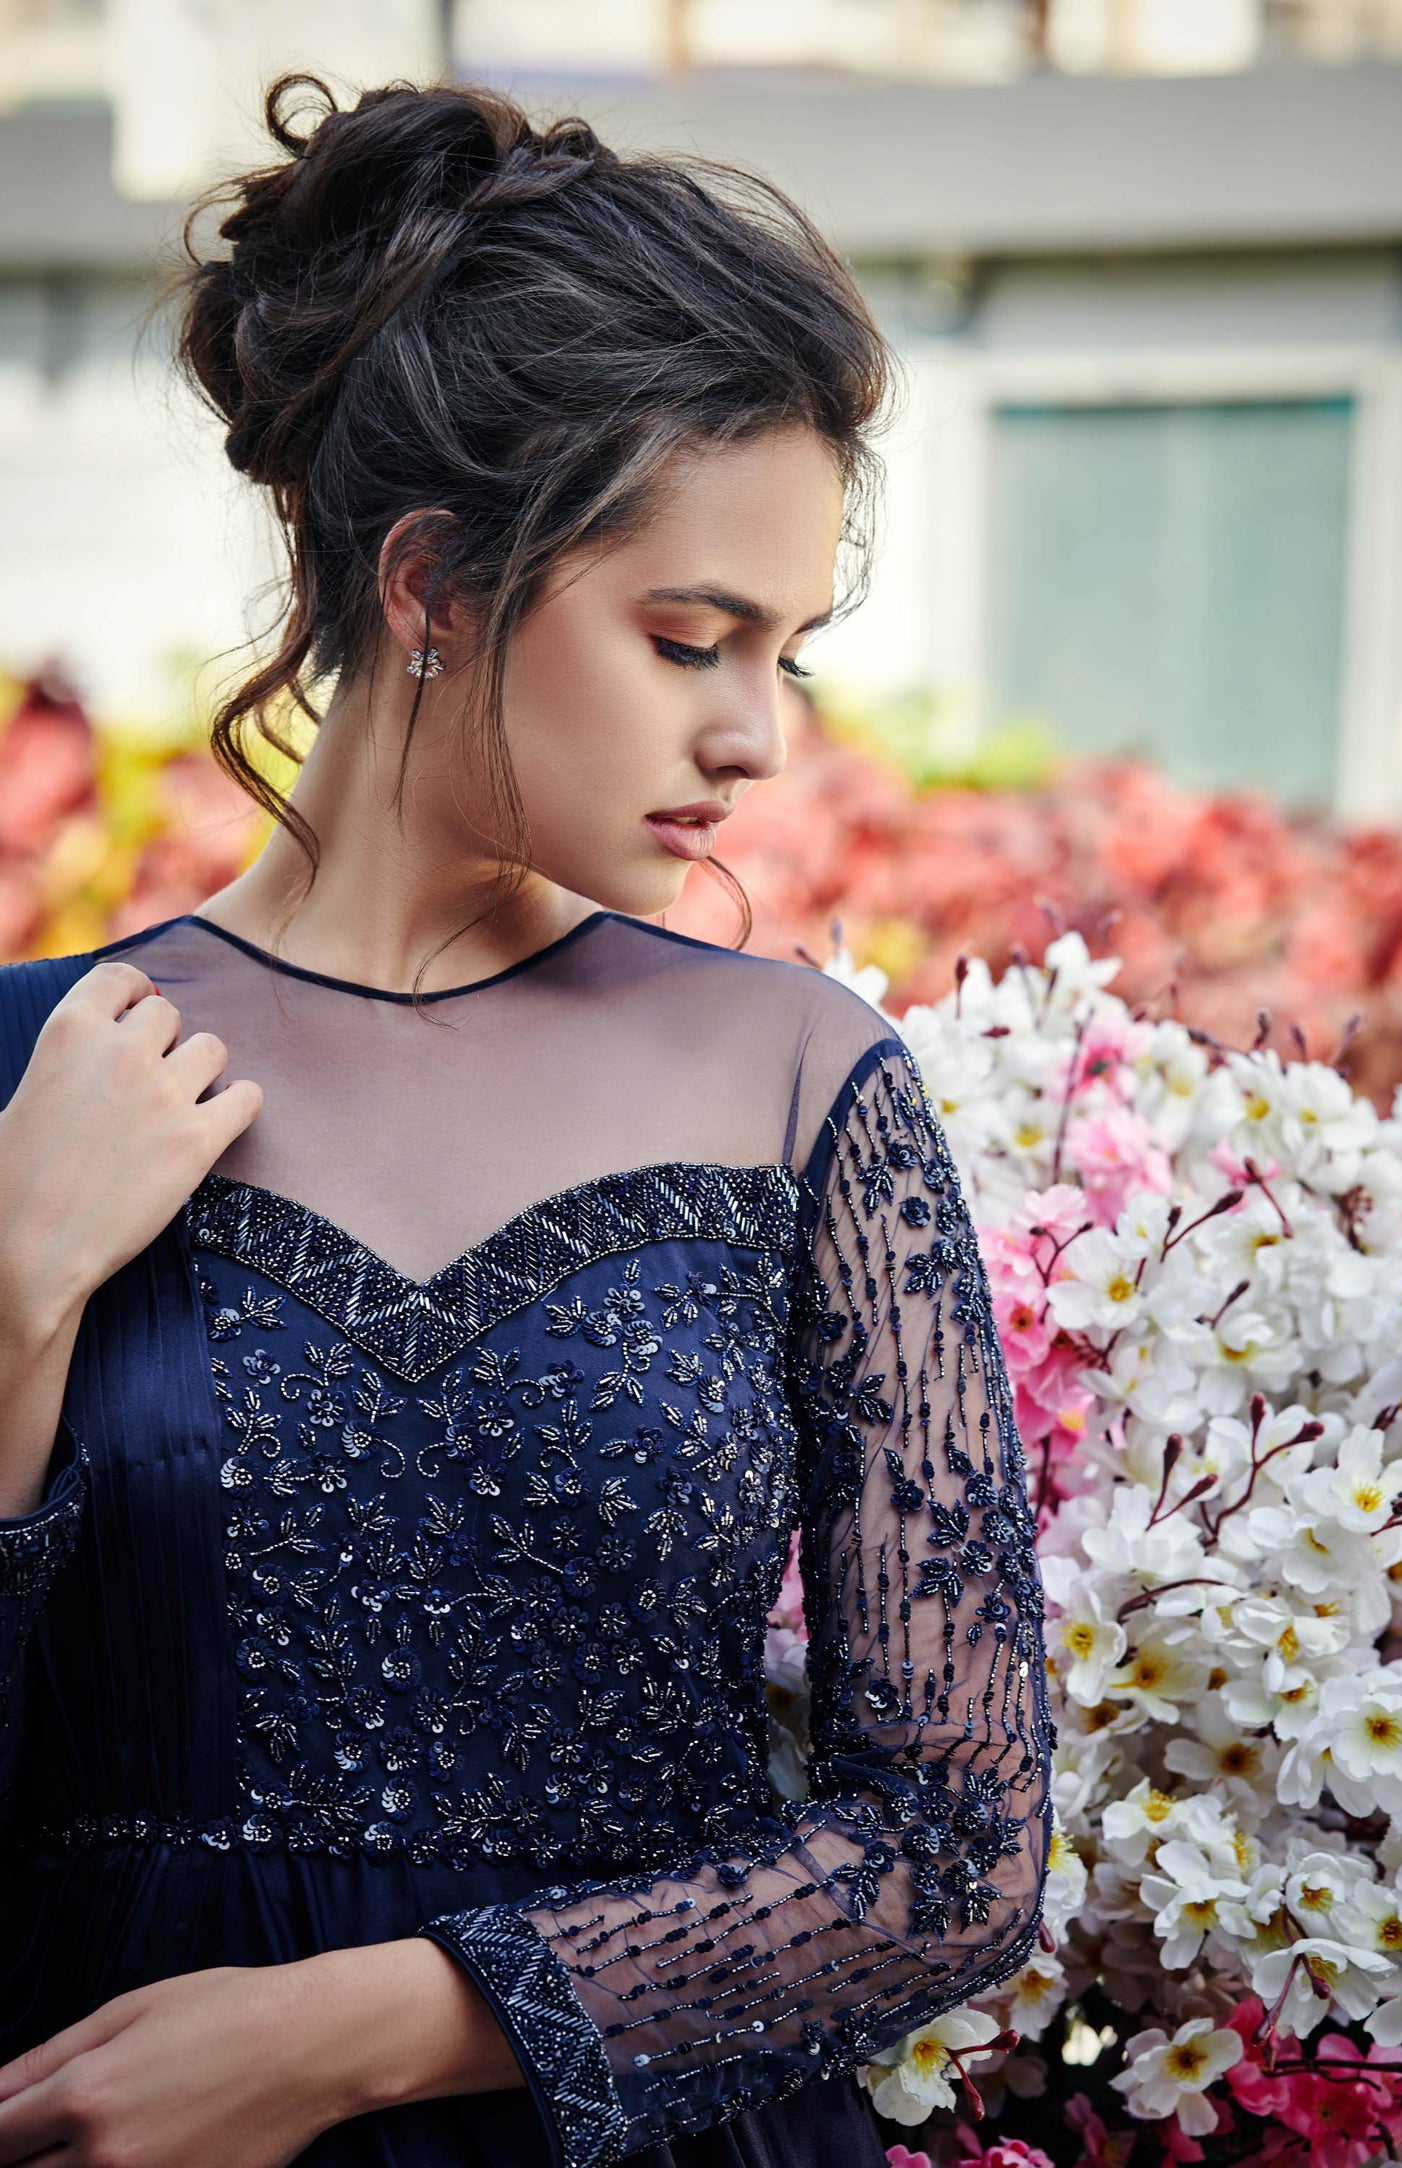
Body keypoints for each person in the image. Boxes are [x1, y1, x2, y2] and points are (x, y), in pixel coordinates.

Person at [0, 71, 1053, 2168]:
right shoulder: (35, 1074)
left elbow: (953, 1848)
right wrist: (18, 1294)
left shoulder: (796, 1082)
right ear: (431, 585)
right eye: (689, 639)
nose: (754, 734)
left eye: (786, 653)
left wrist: (358, 2031)